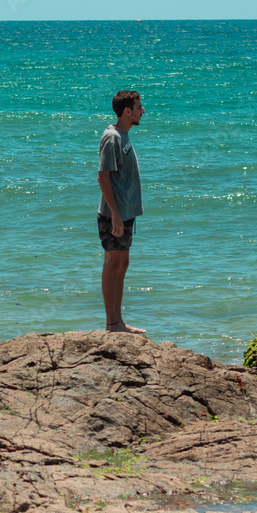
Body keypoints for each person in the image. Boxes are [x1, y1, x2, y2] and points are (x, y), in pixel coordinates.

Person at [97, 90, 145, 333]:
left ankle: (119, 321)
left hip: (125, 213)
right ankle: (112, 323)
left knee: (122, 264)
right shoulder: (112, 137)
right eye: (139, 107)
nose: (142, 111)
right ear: (127, 111)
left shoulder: (123, 136)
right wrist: (114, 213)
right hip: (113, 214)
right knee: (112, 263)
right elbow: (103, 177)